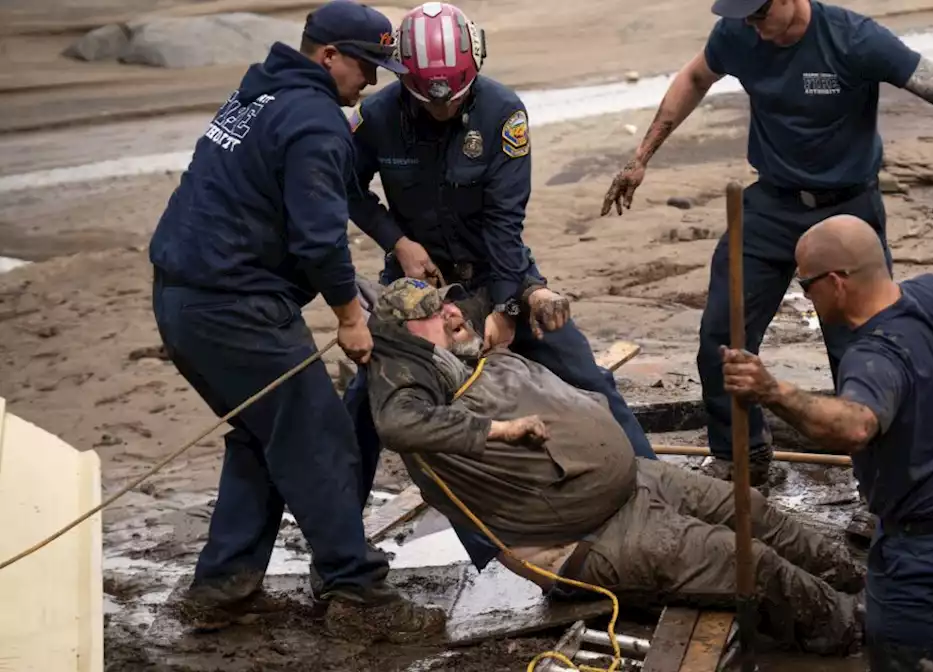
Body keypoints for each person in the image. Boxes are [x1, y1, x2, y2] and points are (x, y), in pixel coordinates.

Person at [600, 0, 933, 486]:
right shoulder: (737, 32)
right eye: (743, 17)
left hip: (847, 210)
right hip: (771, 205)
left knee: (860, 348)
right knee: (721, 336)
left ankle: (876, 479)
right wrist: (640, 156)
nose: (753, 27)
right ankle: (741, 458)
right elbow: (694, 77)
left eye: (759, 13)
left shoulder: (854, 39)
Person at [361, 276, 868, 656]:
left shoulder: (464, 346)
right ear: (406, 337)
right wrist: (501, 431)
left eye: (445, 301)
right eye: (434, 312)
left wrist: (525, 295)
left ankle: (862, 582)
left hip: (636, 480)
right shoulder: (410, 385)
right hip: (588, 538)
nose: (451, 312)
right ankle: (861, 632)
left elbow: (495, 284)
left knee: (755, 511)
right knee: (750, 562)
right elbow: (397, 425)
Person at [149, 0, 444, 643]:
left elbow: (320, 195)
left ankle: (222, 588)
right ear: (328, 55)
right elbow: (318, 239)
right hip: (234, 305)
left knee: (264, 436)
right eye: (365, 66)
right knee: (320, 438)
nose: (371, 81)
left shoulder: (258, 94)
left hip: (181, 297)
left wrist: (393, 243)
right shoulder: (315, 119)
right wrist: (349, 316)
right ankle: (356, 590)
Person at [342, 1, 655, 515]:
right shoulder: (376, 118)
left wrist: (507, 310)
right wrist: (397, 241)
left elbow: (505, 224)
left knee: (589, 379)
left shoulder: (502, 112)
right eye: (429, 103)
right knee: (364, 408)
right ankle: (341, 550)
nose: (442, 111)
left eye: (452, 101)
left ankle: (651, 488)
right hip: (418, 290)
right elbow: (347, 187)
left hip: (500, 270)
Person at [720, 215, 933, 670]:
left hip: (926, 546)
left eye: (806, 284)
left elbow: (855, 425)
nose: (806, 295)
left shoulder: (872, 355)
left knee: (900, 646)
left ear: (836, 283)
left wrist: (772, 391)